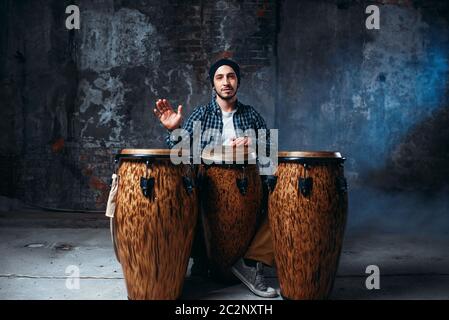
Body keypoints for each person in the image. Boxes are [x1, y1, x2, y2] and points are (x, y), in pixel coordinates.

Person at [153, 58, 278, 298]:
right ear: (213, 84)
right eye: (220, 77)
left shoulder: (251, 115)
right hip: (207, 186)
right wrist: (173, 131)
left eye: (231, 76)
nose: (226, 82)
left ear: (238, 82)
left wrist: (254, 142)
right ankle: (199, 256)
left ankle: (251, 263)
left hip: (246, 186)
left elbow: (272, 151)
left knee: (280, 199)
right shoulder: (201, 113)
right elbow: (179, 154)